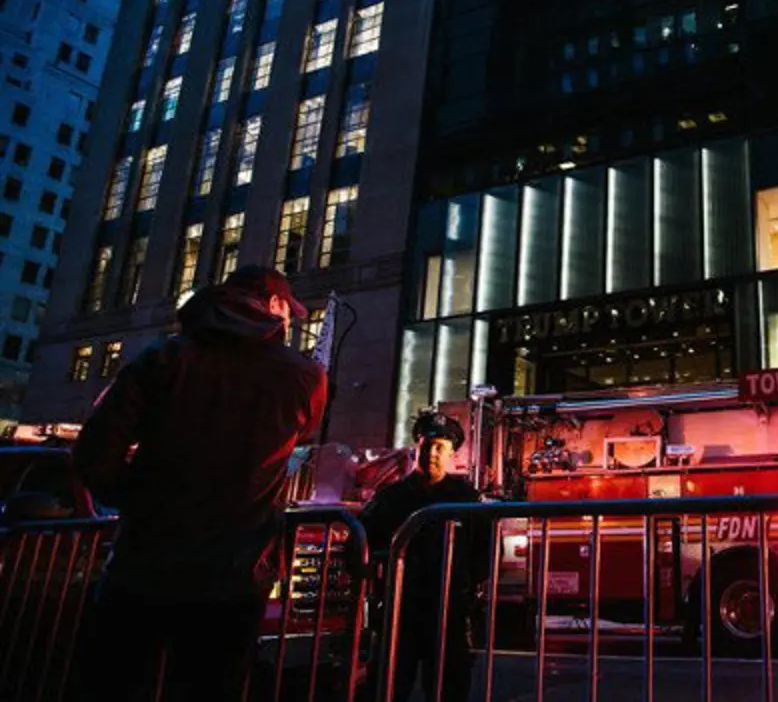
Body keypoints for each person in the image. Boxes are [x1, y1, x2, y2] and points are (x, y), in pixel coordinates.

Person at [71, 266, 327, 701]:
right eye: (289, 312)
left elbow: (95, 453)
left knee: (114, 683)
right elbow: (298, 437)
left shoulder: (165, 357)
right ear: (273, 306)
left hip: (144, 566)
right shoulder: (304, 376)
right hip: (235, 575)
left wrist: (139, 501)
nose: (291, 324)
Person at [360, 410, 491, 702]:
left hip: (449, 610)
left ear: (452, 454)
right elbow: (362, 544)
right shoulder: (390, 497)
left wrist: (466, 585)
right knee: (387, 686)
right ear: (415, 448)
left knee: (450, 687)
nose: (432, 453)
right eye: (426, 445)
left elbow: (485, 549)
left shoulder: (466, 498)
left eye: (441, 447)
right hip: (399, 609)